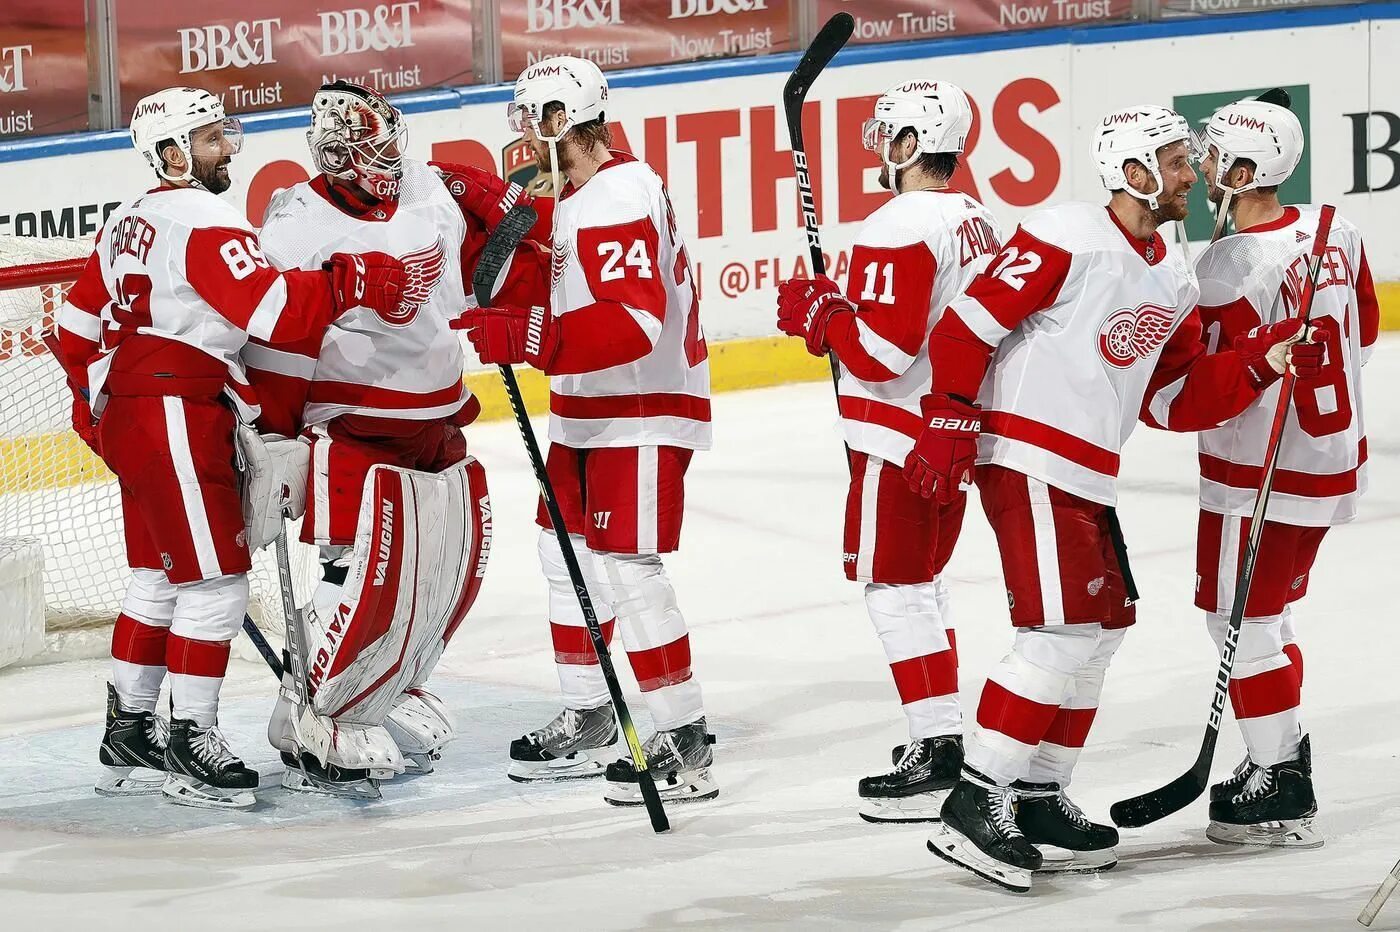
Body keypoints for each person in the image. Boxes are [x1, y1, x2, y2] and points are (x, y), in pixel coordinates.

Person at [904, 105, 1323, 891]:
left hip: (1087, 471)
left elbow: (1173, 396)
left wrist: (1261, 361)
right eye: (1173, 161)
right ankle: (976, 796)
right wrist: (951, 414)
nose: (1191, 172)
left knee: (1101, 632)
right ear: (1132, 173)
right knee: (1061, 632)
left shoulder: (1172, 265)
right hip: (1029, 457)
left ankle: (1035, 793)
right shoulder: (1065, 233)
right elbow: (964, 328)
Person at [51, 86, 407, 809]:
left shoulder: (126, 220)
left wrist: (98, 408)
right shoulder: (204, 218)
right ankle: (191, 742)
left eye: (226, 133)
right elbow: (273, 313)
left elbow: (71, 326)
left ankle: (129, 730)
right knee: (215, 586)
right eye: (212, 138)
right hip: (177, 407)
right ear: (173, 153)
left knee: (158, 578)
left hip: (138, 406)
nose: (229, 149)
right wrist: (350, 280)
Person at [451, 56, 716, 805]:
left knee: (625, 566)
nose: (526, 146)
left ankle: (682, 732)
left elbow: (634, 322)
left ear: (560, 121)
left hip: (638, 407)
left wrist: (531, 338)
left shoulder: (618, 195)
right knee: (559, 551)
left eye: (532, 127)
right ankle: (592, 708)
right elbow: (565, 289)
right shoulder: (588, 196)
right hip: (592, 408)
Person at [246, 81, 508, 797]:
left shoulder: (424, 189)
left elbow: (463, 293)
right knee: (360, 572)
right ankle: (316, 708)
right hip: (354, 426)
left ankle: (387, 682)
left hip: (437, 418)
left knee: (451, 568)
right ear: (339, 156)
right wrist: (275, 433)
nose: (396, 157)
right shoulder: (296, 223)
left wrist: (500, 223)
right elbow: (278, 336)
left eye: (395, 141)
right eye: (378, 148)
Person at [772, 80, 1002, 823]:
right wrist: (842, 311)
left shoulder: (898, 221)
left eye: (888, 136)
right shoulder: (977, 219)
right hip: (949, 432)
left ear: (910, 146)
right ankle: (941, 738)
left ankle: (936, 745)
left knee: (894, 588)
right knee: (924, 586)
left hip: (899, 436)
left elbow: (880, 353)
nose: (879, 148)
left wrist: (823, 318)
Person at [1190, 94, 1377, 848]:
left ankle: (1280, 780)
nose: (1203, 169)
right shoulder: (1340, 230)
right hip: (1331, 465)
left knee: (1239, 621)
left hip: (1260, 474)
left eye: (1213, 157)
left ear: (1244, 169)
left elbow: (1209, 386)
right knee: (1271, 614)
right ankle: (1281, 747)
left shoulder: (1226, 267)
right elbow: (1361, 333)